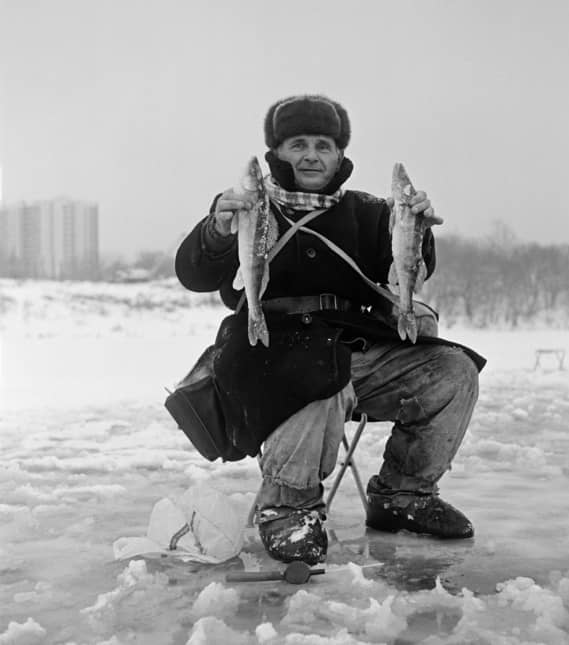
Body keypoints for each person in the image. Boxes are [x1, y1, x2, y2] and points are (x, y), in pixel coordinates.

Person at [175, 94, 485, 566]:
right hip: (269, 357)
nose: (311, 155)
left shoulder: (370, 212)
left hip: (355, 353)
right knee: (316, 370)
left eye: (323, 145)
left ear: (340, 155)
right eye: (297, 144)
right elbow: (194, 275)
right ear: (276, 154)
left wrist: (417, 228)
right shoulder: (250, 207)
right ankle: (287, 506)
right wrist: (216, 230)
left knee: (452, 369)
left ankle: (403, 494)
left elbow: (408, 268)